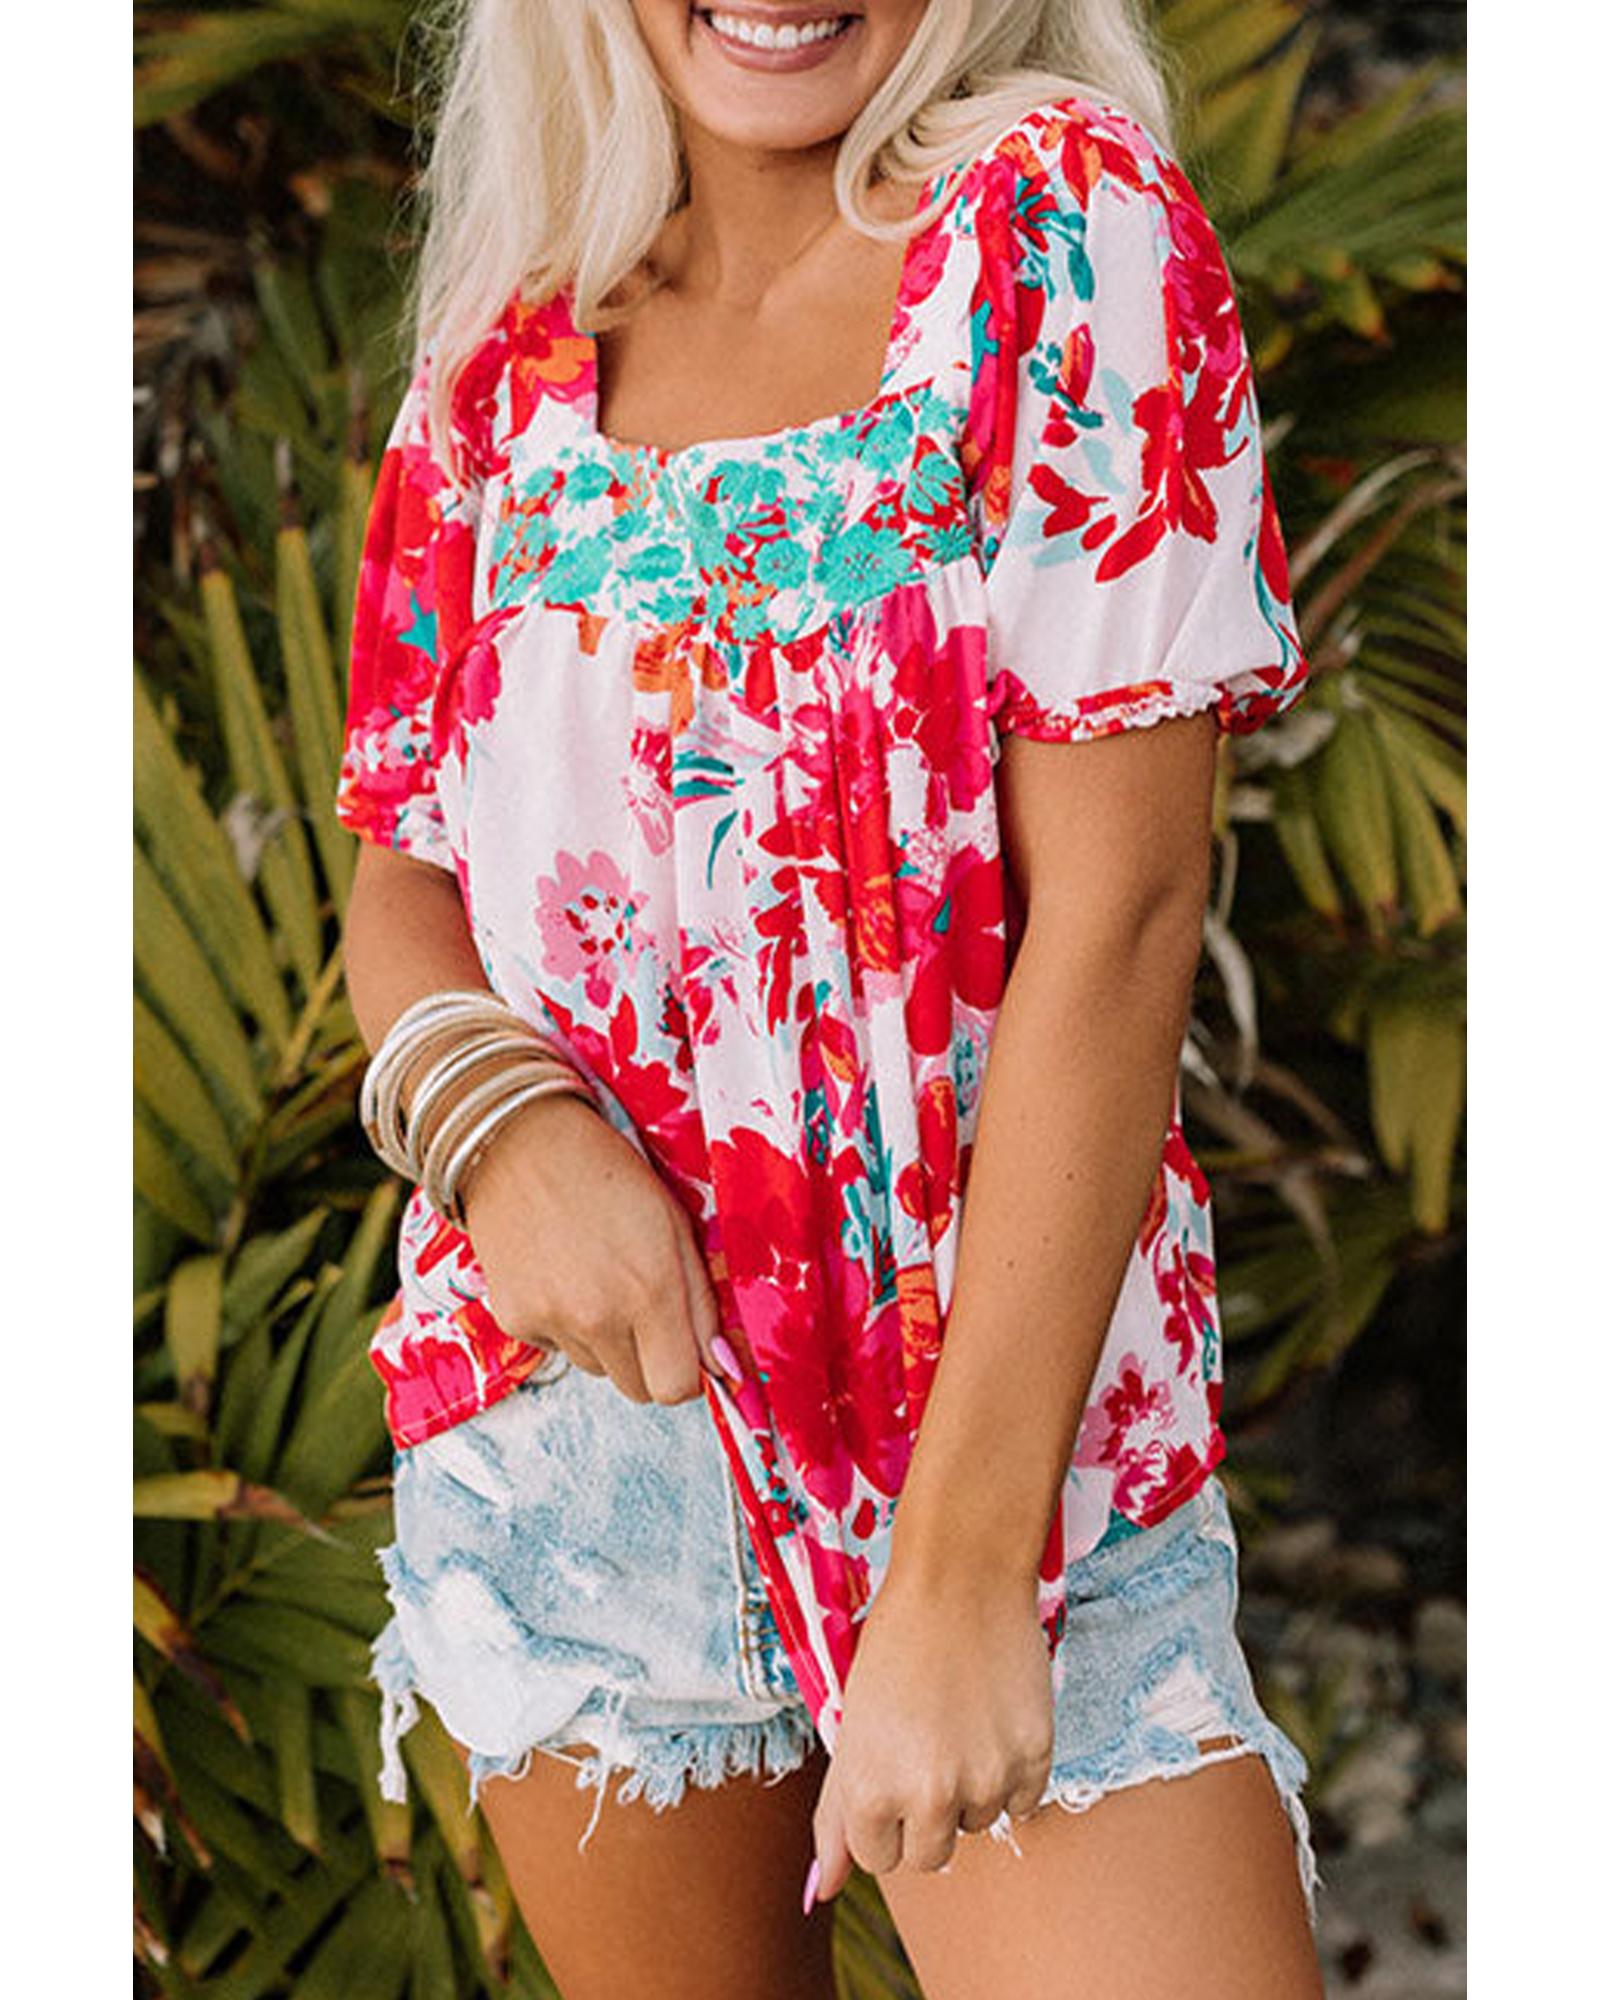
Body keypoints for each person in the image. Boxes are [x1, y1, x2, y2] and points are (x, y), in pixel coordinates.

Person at [334, 3, 1328, 1995]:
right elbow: (403, 868)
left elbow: (1123, 913)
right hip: (586, 1461)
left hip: (1009, 1468)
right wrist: (501, 1136)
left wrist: (958, 1578)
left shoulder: (1059, 225)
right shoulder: (516, 343)